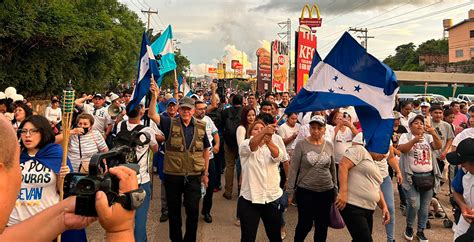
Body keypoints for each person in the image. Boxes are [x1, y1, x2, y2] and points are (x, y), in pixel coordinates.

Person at [0, 111, 139, 241]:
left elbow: (64, 191)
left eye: (33, 131)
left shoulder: (56, 155)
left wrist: (62, 179)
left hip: (44, 223)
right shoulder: (13, 156)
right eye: (23, 131)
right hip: (14, 223)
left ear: (43, 132)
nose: (27, 135)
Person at [149, 82, 210, 242]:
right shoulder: (169, 123)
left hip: (194, 175)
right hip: (173, 175)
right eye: (182, 108)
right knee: (174, 212)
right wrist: (154, 96)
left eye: (188, 109)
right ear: (178, 109)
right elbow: (152, 115)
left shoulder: (202, 127)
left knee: (192, 211)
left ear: (193, 111)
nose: (185, 112)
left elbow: (205, 151)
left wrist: (206, 174)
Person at [287, 116, 336, 242]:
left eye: (319, 128)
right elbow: (293, 169)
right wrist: (290, 191)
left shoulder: (329, 145)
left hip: (326, 191)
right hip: (306, 191)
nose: (315, 131)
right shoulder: (301, 144)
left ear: (324, 130)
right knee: (305, 223)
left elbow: (332, 169)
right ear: (309, 128)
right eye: (313, 128)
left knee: (322, 225)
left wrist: (335, 190)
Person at [335, 133, 390, 242]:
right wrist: (343, 192)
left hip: (368, 209)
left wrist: (384, 207)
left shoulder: (373, 164)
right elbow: (343, 165)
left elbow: (376, 187)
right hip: (353, 205)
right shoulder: (360, 150)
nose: (384, 156)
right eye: (383, 151)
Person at [117, 103, 158, 242]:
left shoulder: (120, 126)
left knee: (122, 220)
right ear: (141, 112)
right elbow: (155, 148)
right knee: (139, 221)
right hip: (141, 179)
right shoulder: (147, 130)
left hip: (121, 179)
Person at [238, 120, 285, 242]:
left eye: (262, 128)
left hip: (272, 198)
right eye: (256, 129)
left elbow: (279, 156)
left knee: (275, 236)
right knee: (248, 237)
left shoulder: (272, 145)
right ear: (250, 133)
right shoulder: (245, 144)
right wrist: (264, 131)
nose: (260, 130)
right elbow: (252, 145)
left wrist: (269, 141)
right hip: (250, 199)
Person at [398, 114, 442, 242]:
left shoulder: (428, 137)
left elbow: (438, 146)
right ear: (410, 126)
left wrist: (433, 133)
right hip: (411, 177)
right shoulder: (405, 136)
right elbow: (402, 149)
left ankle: (421, 230)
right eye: (416, 123)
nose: (419, 125)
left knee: (424, 207)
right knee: (414, 204)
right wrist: (414, 141)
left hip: (428, 177)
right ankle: (409, 227)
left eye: (421, 123)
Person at [194, 100, 220, 223]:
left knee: (210, 186)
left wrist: (217, 145)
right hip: (195, 160)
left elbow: (215, 134)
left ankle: (206, 211)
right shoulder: (190, 121)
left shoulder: (208, 120)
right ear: (194, 109)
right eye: (199, 109)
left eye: (204, 108)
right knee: (194, 186)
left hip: (209, 158)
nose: (202, 111)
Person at [448, 138, 474, 242]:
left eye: (463, 162)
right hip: (467, 219)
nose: (461, 165)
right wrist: (463, 206)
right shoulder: (464, 171)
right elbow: (456, 190)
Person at [221, 94, 243, 200]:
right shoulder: (244, 111)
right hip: (241, 142)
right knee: (241, 166)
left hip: (228, 142)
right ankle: (241, 190)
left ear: (232, 101)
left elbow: (221, 125)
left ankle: (228, 191)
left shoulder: (226, 111)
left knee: (229, 166)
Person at [430, 105, 454, 183]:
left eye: (440, 113)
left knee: (440, 177)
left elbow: (450, 139)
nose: (438, 115)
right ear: (431, 113)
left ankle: (434, 192)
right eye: (435, 113)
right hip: (430, 155)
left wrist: (445, 151)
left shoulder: (447, 125)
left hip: (441, 156)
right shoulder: (427, 123)